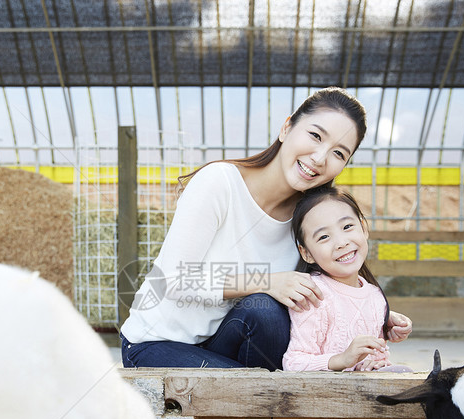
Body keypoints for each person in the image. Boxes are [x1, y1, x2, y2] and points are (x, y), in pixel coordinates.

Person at [120, 86, 412, 370]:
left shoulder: (308, 221)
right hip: (157, 343)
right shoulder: (219, 182)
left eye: (339, 153)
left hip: (225, 339)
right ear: (286, 128)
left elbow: (324, 285)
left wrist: (370, 311)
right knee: (265, 353)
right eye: (315, 135)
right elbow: (171, 281)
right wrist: (267, 281)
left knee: (270, 314)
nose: (320, 158)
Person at [282, 185, 412, 372]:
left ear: (364, 228)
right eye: (324, 236)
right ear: (306, 253)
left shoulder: (375, 296)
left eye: (347, 227)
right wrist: (341, 360)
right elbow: (294, 363)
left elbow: (377, 355)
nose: (341, 243)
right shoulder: (314, 295)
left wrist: (378, 362)